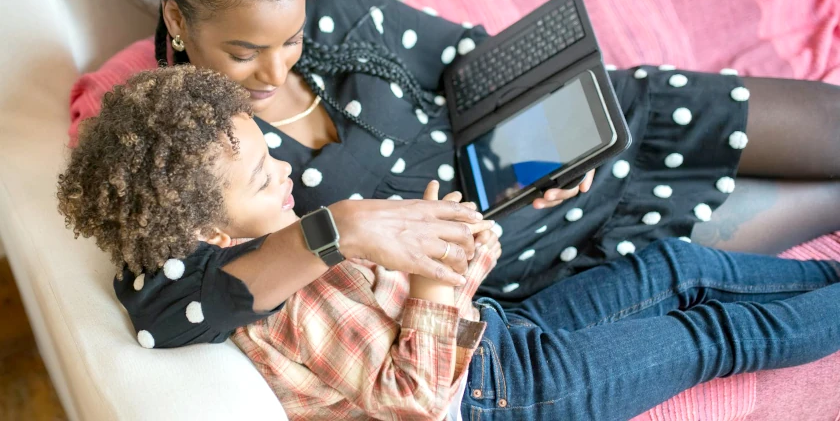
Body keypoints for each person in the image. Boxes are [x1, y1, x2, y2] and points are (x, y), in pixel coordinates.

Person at [67, 0, 840, 340]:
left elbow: (463, 55)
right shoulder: (172, 133)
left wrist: (543, 137)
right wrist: (339, 230)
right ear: (178, 22)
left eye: (291, 41)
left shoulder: (330, 8)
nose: (274, 71)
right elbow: (161, 310)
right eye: (243, 54)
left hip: (556, 156)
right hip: (532, 249)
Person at [58, 66, 840, 420]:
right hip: (502, 397)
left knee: (668, 265)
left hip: (497, 337)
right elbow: (417, 401)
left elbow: (431, 309)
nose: (284, 175)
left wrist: (459, 260)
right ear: (213, 232)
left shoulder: (280, 242)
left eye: (269, 153)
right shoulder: (287, 311)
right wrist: (436, 284)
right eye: (263, 178)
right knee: (706, 333)